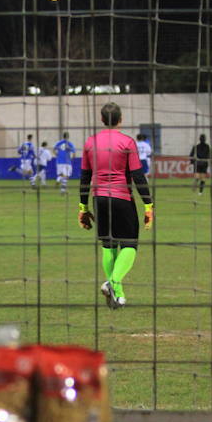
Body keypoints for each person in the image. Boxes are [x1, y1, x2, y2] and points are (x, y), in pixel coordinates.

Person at [78, 102, 154, 309]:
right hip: (122, 198)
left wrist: (83, 208)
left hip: (99, 199)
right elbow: (138, 175)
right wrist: (148, 205)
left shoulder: (90, 142)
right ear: (121, 119)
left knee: (108, 245)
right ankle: (112, 283)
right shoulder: (127, 142)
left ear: (102, 120)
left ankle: (118, 296)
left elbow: (85, 177)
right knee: (129, 245)